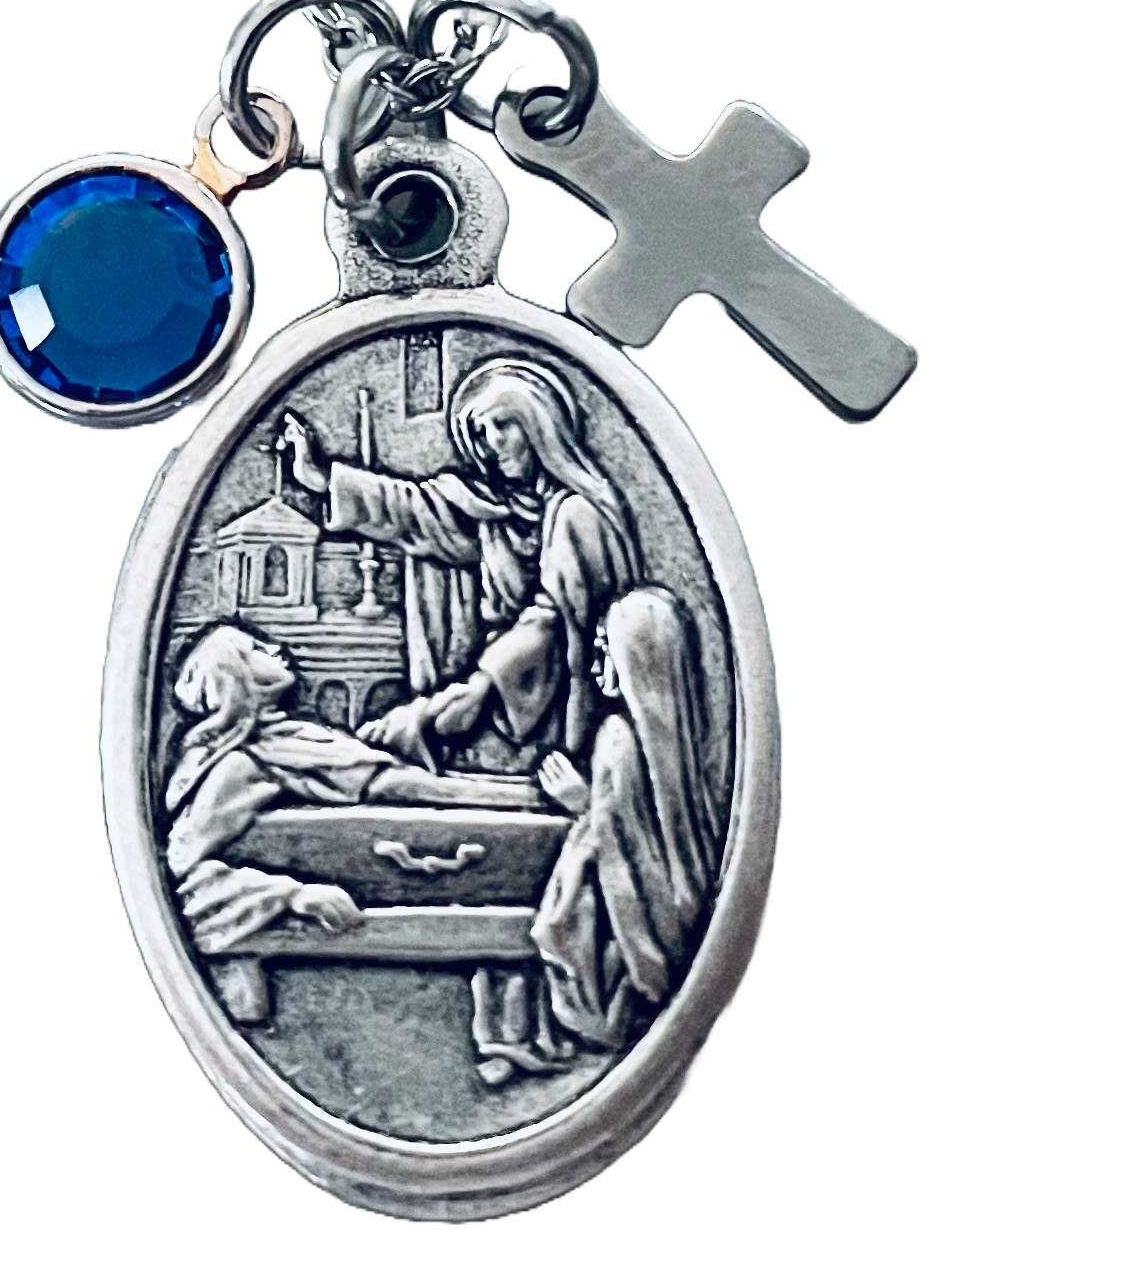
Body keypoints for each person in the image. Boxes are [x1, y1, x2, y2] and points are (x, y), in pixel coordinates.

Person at [278, 358, 641, 777]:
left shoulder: (579, 515)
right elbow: (416, 510)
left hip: (544, 706)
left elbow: (555, 622)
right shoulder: (500, 510)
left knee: (400, 746)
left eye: (503, 425)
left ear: (541, 424)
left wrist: (479, 686)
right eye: (481, 433)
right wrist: (323, 479)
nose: (491, 443)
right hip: (503, 693)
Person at [163, 622, 510, 957]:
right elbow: (182, 867)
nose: (274, 649)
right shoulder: (241, 763)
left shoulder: (295, 739)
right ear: (234, 675)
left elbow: (391, 782)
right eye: (254, 649)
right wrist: (292, 895)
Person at [530, 586, 723, 1048]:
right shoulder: (685, 747)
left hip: (629, 944)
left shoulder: (616, 736)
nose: (597, 668)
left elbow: (620, 849)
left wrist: (582, 803)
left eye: (607, 653)